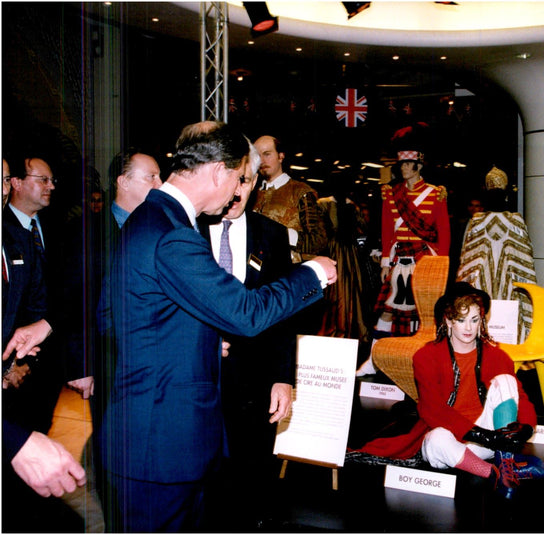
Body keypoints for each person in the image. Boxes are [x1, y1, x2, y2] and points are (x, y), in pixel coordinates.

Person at [97, 122, 337, 532]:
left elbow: (115, 317)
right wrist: (312, 273)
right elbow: (245, 313)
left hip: (151, 439)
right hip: (162, 448)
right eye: (240, 178)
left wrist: (200, 342)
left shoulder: (150, 219)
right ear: (218, 172)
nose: (238, 192)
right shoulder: (172, 233)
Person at [352, 283, 544, 499]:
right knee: (436, 440)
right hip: (454, 445)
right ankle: (496, 473)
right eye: (461, 320)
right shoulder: (426, 357)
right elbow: (432, 410)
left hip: (492, 440)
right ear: (448, 321)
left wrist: (527, 427)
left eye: (474, 320)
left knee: (506, 381)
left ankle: (505, 460)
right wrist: (482, 436)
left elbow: (520, 397)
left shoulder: (497, 356)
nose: (469, 328)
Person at [197, 131, 297, 530]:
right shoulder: (186, 231)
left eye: (246, 181)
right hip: (198, 376)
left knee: (252, 473)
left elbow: (283, 314)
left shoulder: (271, 235)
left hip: (254, 379)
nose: (237, 192)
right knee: (202, 471)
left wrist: (282, 379)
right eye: (233, 181)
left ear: (255, 183)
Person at [357, 138, 450, 376]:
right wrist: (386, 261)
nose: (403, 169)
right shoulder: (391, 194)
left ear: (418, 165)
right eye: (401, 165)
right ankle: (375, 359)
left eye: (407, 164)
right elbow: (387, 230)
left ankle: (423, 363)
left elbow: (444, 232)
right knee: (387, 309)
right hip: (399, 258)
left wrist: (440, 265)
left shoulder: (435, 193)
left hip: (425, 259)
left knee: (424, 312)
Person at [4, 156, 63, 434]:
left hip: (43, 360)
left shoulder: (61, 227)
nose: (50, 186)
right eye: (43, 180)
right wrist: (10, 365)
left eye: (52, 180)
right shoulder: (8, 231)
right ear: (16, 183)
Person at [456, 166, 536, 343]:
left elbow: (465, 258)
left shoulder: (476, 221)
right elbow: (526, 259)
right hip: (510, 284)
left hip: (481, 284)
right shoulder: (516, 221)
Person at [251, 134, 328, 263]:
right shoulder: (252, 193)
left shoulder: (300, 192)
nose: (262, 161)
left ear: (281, 156)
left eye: (267, 154)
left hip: (289, 272)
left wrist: (282, 234)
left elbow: (318, 240)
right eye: (258, 156)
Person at [316, 169, 371, 344]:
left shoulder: (324, 204)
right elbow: (363, 230)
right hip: (350, 255)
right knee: (350, 293)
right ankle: (349, 331)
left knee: (335, 294)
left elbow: (319, 232)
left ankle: (335, 331)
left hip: (333, 252)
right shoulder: (352, 206)